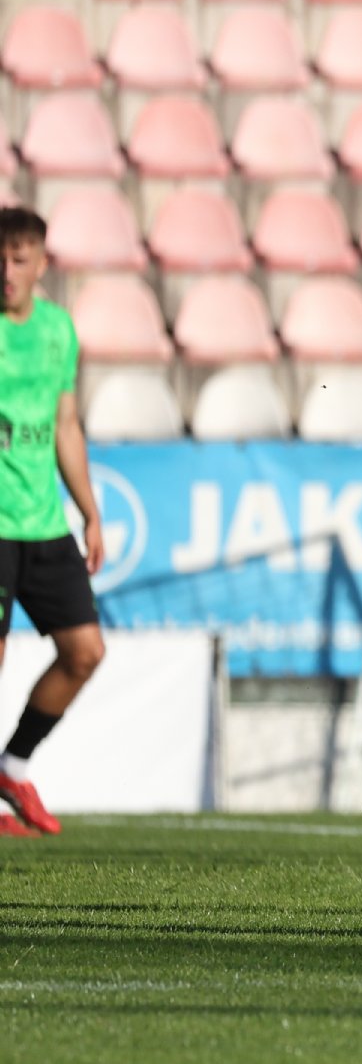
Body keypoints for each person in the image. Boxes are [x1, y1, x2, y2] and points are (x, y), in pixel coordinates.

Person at [0, 207, 107, 839]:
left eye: (19, 259)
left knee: (84, 651)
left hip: (43, 523)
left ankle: (13, 765)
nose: (7, 271)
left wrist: (89, 511)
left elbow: (65, 425)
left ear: (41, 264)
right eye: (0, 259)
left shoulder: (58, 330)